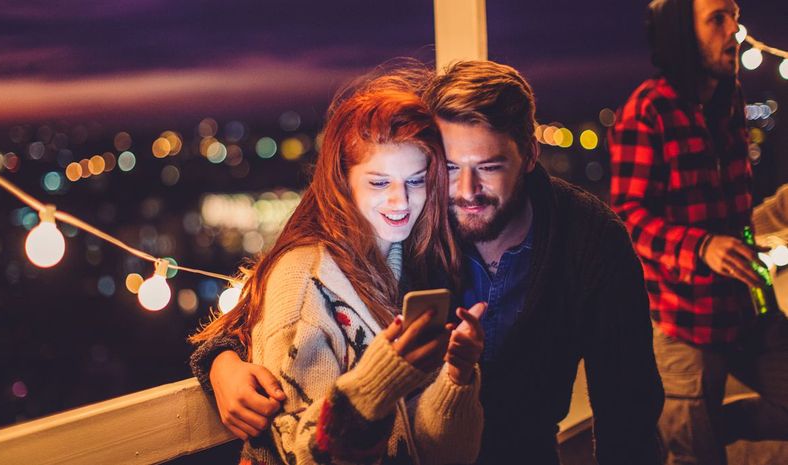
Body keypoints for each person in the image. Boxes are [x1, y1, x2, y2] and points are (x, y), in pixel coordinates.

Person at [193, 60, 664, 465]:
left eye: (490, 167)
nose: (464, 190)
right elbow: (295, 293)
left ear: (531, 155)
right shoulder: (413, 214)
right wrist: (221, 364)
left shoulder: (590, 238)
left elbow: (630, 408)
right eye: (450, 167)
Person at [190, 74, 485, 465]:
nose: (401, 201)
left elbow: (436, 452)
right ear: (342, 181)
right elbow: (300, 452)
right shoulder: (302, 281)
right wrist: (379, 379)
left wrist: (456, 377)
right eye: (379, 182)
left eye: (416, 181)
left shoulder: (415, 264)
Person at [609, 0, 788, 463]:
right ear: (680, 33)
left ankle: (711, 427)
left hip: (750, 305)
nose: (735, 28)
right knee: (696, 456)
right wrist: (701, 247)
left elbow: (732, 217)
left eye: (734, 14)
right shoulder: (646, 111)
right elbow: (626, 218)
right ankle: (692, 435)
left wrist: (779, 210)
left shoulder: (730, 99)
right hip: (682, 320)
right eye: (717, 19)